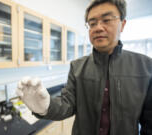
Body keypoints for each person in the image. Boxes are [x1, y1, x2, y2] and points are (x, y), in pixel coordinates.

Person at [16, 0, 152, 134]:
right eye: (92, 23)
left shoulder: (146, 67)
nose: (98, 27)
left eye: (107, 20)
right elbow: (67, 104)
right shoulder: (77, 67)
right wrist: (45, 107)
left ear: (122, 24)